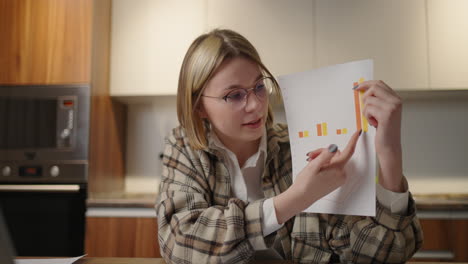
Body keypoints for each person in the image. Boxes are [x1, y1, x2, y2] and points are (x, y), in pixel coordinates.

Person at [156, 29, 423, 263]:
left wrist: (389, 155)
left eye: (259, 86)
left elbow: (384, 253)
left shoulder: (297, 147)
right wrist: (296, 198)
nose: (256, 104)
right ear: (199, 105)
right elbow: (181, 246)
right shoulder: (184, 147)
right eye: (234, 95)